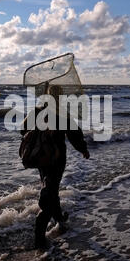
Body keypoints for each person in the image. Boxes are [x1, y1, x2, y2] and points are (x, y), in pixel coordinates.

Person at [20, 84, 90, 249]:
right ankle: (40, 234)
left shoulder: (37, 111)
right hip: (57, 159)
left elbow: (22, 130)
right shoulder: (63, 113)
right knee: (50, 192)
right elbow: (74, 134)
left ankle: (60, 220)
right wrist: (83, 149)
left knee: (51, 188)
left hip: (40, 158)